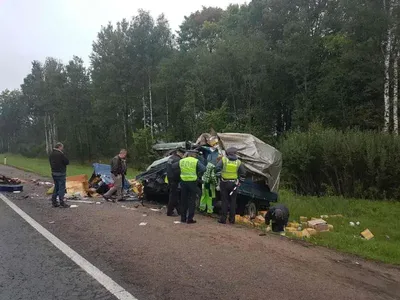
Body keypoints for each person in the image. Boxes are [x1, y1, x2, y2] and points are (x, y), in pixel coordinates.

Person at [174, 150, 206, 224]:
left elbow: (173, 166)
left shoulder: (182, 161)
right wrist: (198, 173)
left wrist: (181, 171)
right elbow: (204, 169)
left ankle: (183, 218)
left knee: (183, 200)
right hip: (192, 182)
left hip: (183, 182)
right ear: (194, 155)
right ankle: (190, 219)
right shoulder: (195, 161)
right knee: (192, 201)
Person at [216, 147, 246, 224]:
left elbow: (217, 168)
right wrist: (240, 181)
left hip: (224, 183)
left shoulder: (224, 160)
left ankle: (223, 219)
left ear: (227, 153)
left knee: (224, 201)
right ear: (235, 154)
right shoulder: (239, 162)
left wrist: (219, 176)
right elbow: (243, 173)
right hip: (234, 184)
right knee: (233, 201)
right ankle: (232, 220)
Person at [49, 142, 70, 208]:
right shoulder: (60, 154)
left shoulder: (51, 154)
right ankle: (62, 202)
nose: (62, 149)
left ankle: (54, 201)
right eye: (62, 147)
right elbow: (66, 162)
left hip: (54, 172)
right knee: (61, 188)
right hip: (61, 173)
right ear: (59, 147)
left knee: (56, 187)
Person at [199, 147, 219, 215]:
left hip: (204, 183)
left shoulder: (207, 165)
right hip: (209, 185)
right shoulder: (213, 166)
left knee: (203, 196)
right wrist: (216, 185)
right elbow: (213, 177)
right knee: (210, 197)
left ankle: (202, 208)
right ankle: (209, 211)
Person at [166, 148, 184, 216]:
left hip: (170, 178)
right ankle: (169, 211)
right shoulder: (178, 160)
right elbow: (177, 171)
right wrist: (180, 179)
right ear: (179, 153)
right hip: (174, 179)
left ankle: (179, 211)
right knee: (173, 196)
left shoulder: (170, 158)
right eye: (182, 154)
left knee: (174, 195)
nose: (183, 155)